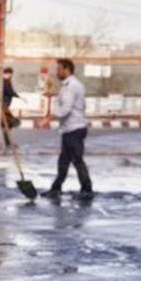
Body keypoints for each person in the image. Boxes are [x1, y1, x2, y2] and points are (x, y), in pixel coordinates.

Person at [41, 58, 93, 200]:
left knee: (77, 160)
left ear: (66, 69)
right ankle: (56, 189)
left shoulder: (71, 86)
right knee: (64, 161)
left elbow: (66, 109)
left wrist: (49, 117)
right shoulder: (69, 84)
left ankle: (87, 190)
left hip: (74, 129)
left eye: (59, 69)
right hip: (70, 129)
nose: (57, 72)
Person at [2, 66, 20, 132]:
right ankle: (7, 130)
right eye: (10, 74)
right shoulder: (5, 82)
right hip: (4, 104)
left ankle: (7, 130)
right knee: (8, 120)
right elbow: (10, 91)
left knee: (7, 120)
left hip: (5, 104)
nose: (11, 76)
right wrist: (19, 97)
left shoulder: (5, 81)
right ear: (8, 74)